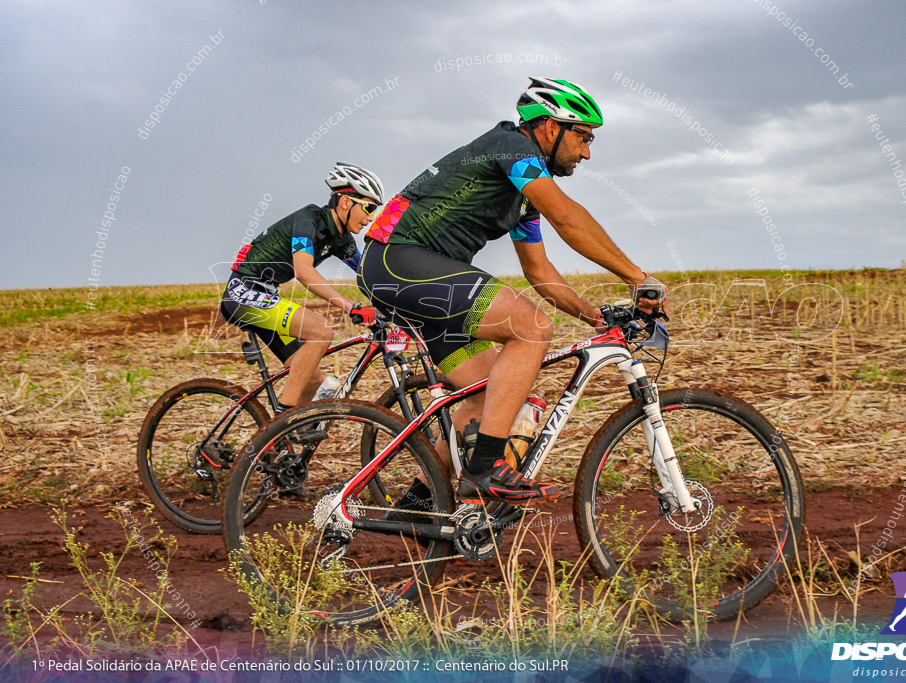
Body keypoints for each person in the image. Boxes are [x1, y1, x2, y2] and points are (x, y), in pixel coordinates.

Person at [357, 76, 667, 508]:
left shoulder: (521, 195)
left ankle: (419, 502)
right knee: (531, 326)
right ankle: (483, 471)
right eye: (582, 137)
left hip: (414, 274)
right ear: (548, 126)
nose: (587, 152)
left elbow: (539, 271)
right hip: (397, 261)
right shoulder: (510, 148)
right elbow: (566, 216)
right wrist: (636, 276)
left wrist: (594, 317)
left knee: (488, 395)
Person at [222, 162, 384, 414]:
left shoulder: (341, 238)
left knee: (313, 382)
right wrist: (350, 307)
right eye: (369, 207)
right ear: (345, 202)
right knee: (321, 332)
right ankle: (280, 423)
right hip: (242, 294)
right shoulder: (309, 220)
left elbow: (369, 274)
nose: (370, 217)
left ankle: (280, 445)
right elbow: (303, 271)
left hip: (266, 295)